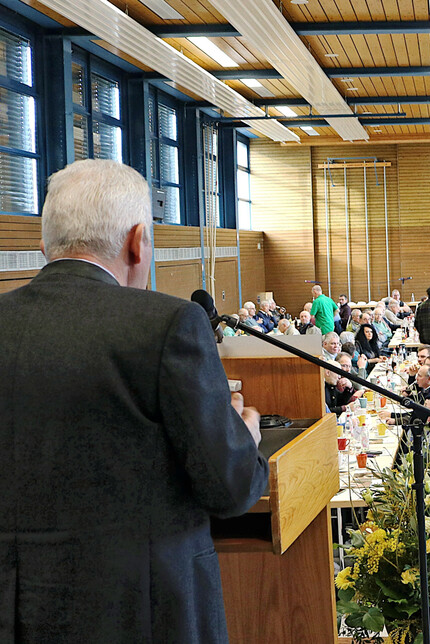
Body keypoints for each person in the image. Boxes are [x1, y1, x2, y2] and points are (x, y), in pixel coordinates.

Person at [0, 159, 268, 641]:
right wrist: (243, 439)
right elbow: (229, 489)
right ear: (138, 240)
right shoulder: (167, 324)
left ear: (44, 246)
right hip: (141, 615)